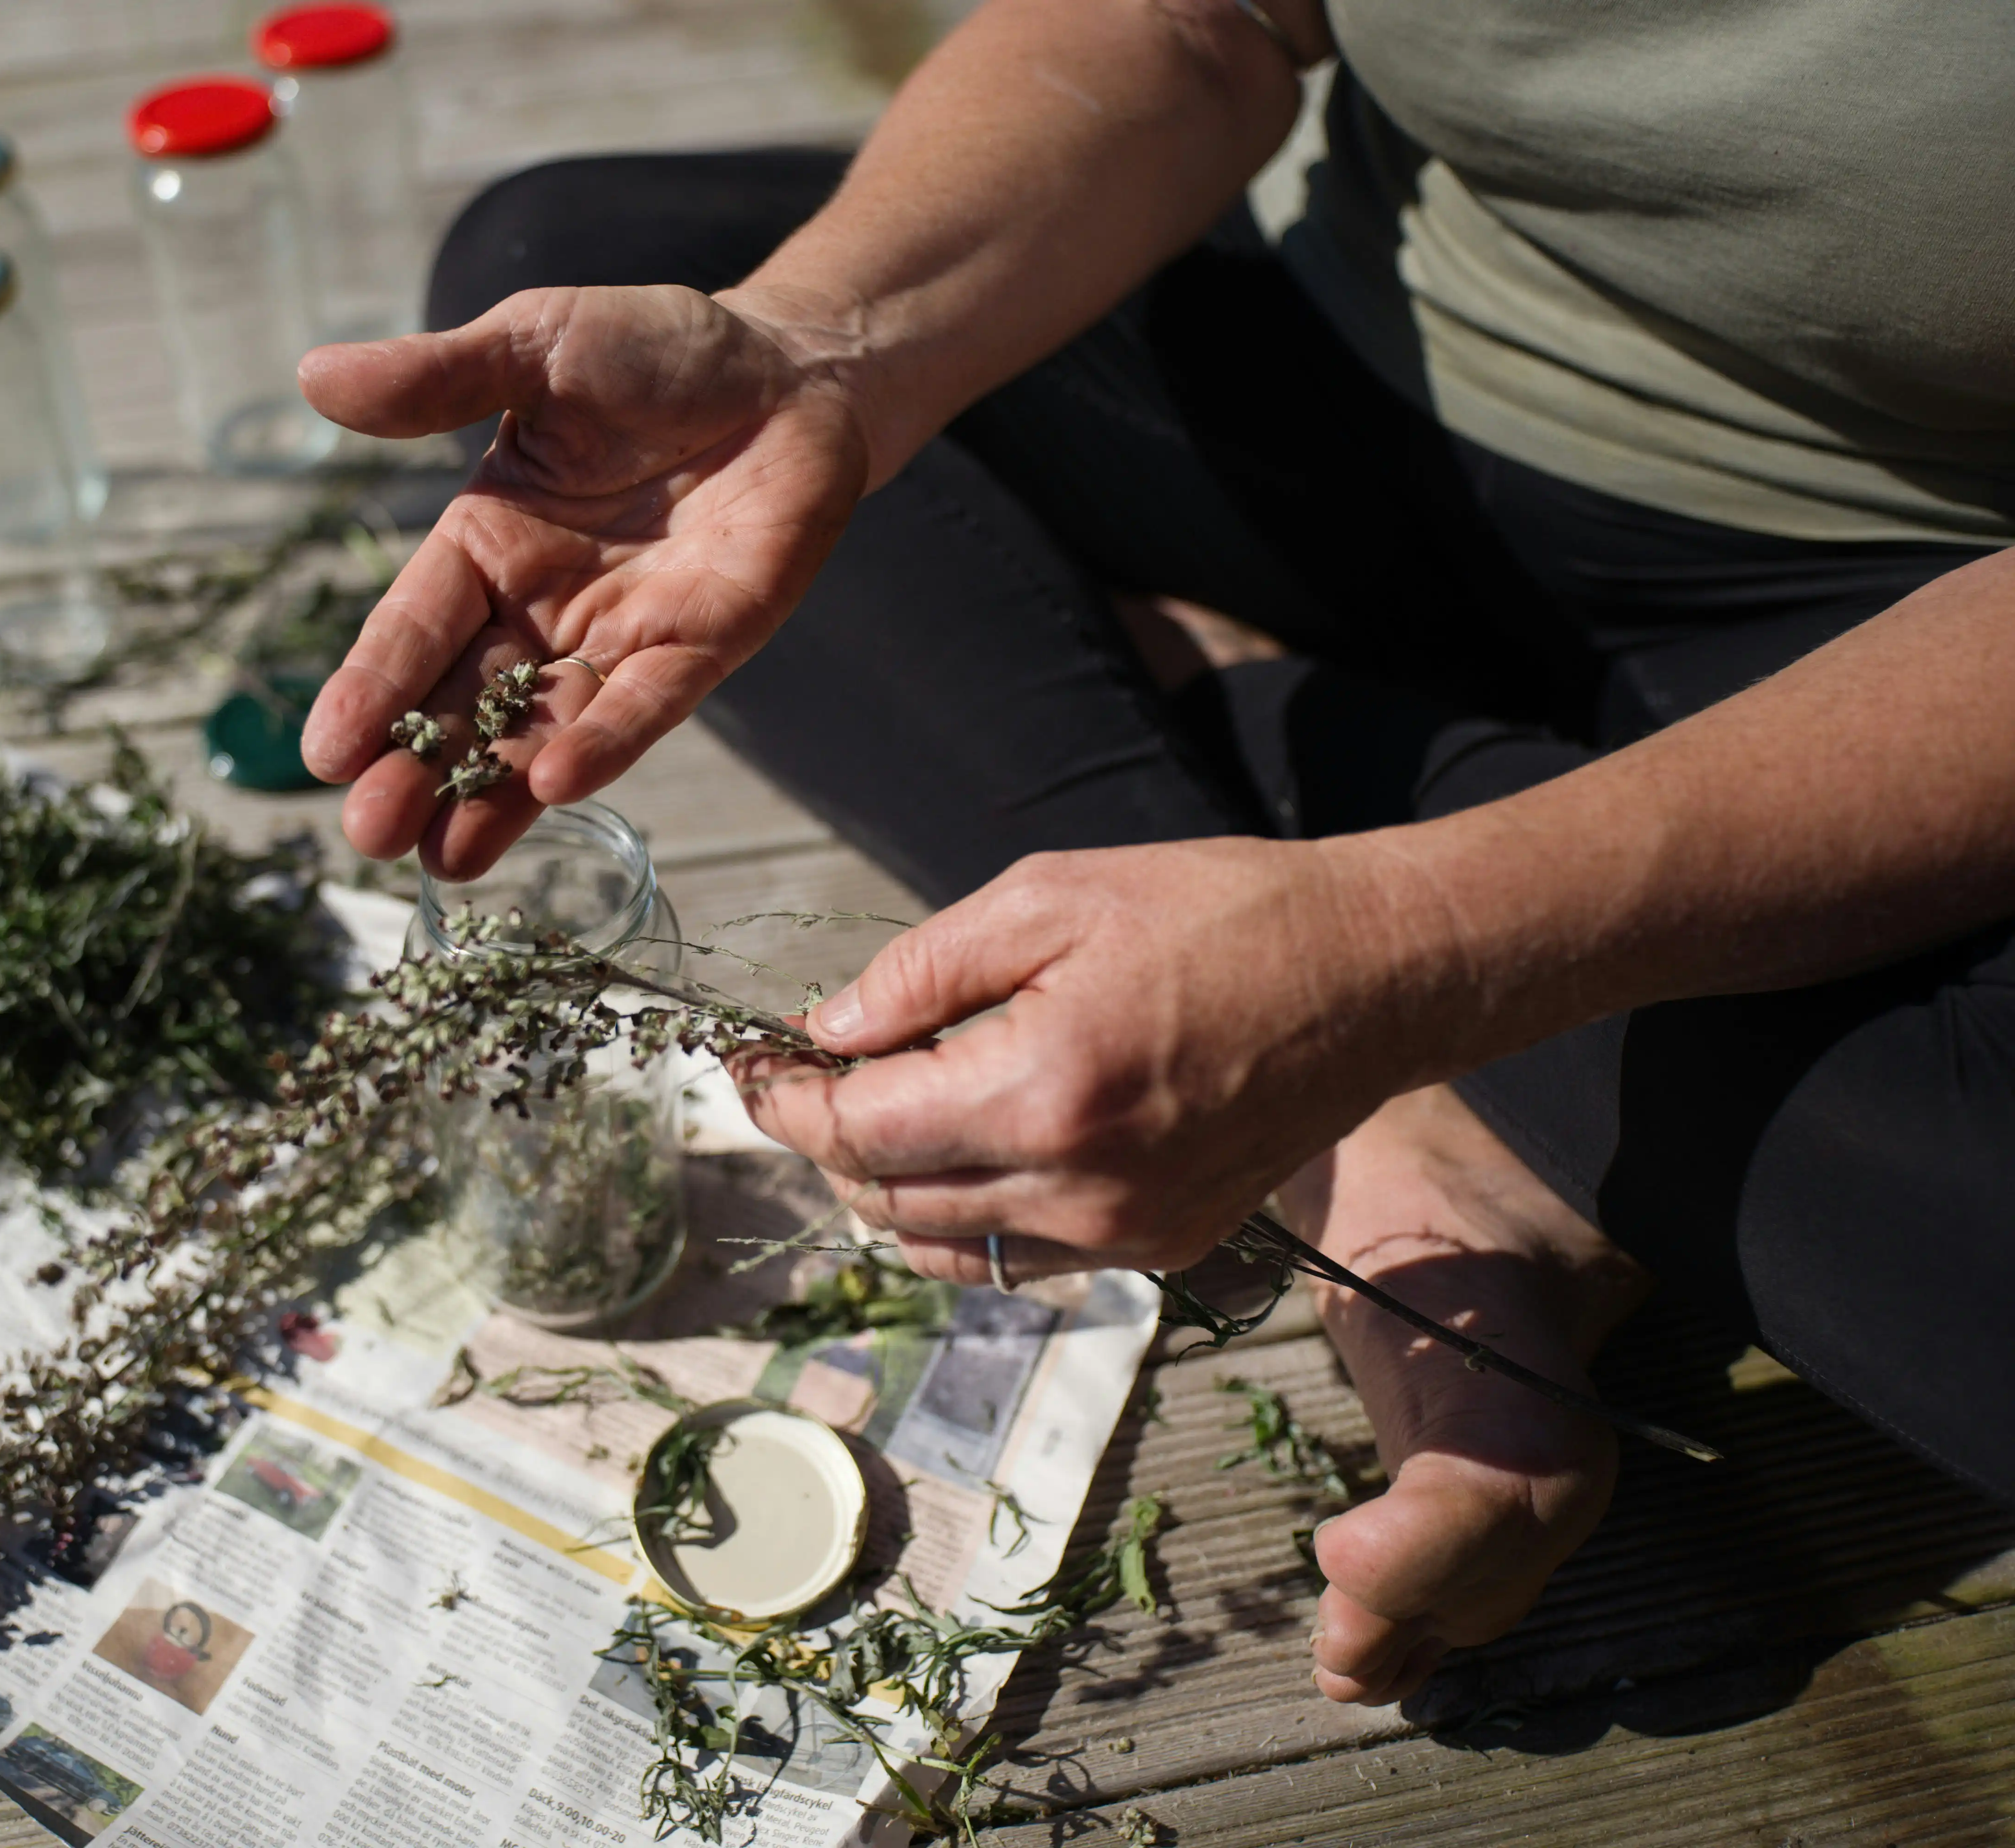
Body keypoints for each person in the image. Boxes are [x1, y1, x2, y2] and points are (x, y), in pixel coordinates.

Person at [295, 0, 2015, 1708]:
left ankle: (1274, 800)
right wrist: (821, 355)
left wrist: (1415, 946)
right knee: (591, 322)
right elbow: (1192, 18)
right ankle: (1406, 1090)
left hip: (1898, 610)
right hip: (1343, 398)